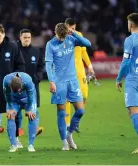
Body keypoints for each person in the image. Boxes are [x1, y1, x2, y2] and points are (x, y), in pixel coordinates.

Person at [45, 23, 91, 151]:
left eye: (63, 37)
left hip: (73, 81)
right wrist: (51, 81)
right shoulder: (50, 44)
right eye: (60, 37)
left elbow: (88, 44)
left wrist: (74, 32)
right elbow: (48, 65)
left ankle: (69, 134)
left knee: (80, 111)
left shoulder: (71, 39)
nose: (61, 39)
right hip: (59, 82)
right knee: (61, 112)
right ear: (55, 33)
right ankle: (64, 142)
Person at [116, 13, 138, 154]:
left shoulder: (130, 40)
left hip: (133, 80)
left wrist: (119, 78)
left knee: (133, 111)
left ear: (130, 24)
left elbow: (125, 62)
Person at [64, 18, 95, 132]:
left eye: (73, 28)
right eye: (70, 28)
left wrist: (90, 66)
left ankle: (76, 122)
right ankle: (67, 124)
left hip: (80, 72)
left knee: (84, 96)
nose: (72, 30)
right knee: (66, 99)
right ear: (65, 26)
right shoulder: (63, 37)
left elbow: (83, 52)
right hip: (67, 72)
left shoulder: (78, 35)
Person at [17, 29, 44, 136]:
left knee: (33, 107)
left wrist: (38, 77)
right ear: (20, 38)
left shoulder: (36, 51)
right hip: (18, 85)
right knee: (18, 108)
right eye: (25, 37)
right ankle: (18, 128)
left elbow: (41, 66)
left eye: (28, 37)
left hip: (33, 84)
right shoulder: (15, 50)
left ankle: (35, 128)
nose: (27, 39)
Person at [3, 72, 38, 152]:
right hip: (14, 100)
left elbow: (31, 96)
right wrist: (10, 108)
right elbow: (7, 95)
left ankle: (31, 145)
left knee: (32, 116)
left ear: (22, 85)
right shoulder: (6, 80)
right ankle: (13, 145)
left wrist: (29, 109)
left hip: (27, 98)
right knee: (10, 116)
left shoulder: (27, 80)